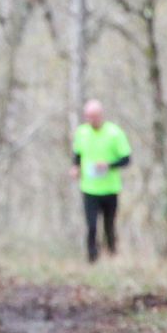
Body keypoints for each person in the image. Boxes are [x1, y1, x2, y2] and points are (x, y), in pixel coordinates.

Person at [71, 100, 130, 261]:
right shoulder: (81, 132)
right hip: (89, 188)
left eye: (94, 116)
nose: (91, 120)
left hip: (110, 188)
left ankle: (112, 255)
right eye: (88, 117)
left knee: (109, 225)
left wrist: (109, 165)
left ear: (101, 115)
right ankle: (92, 258)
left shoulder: (114, 133)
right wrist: (75, 167)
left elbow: (126, 159)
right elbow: (77, 154)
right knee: (91, 225)